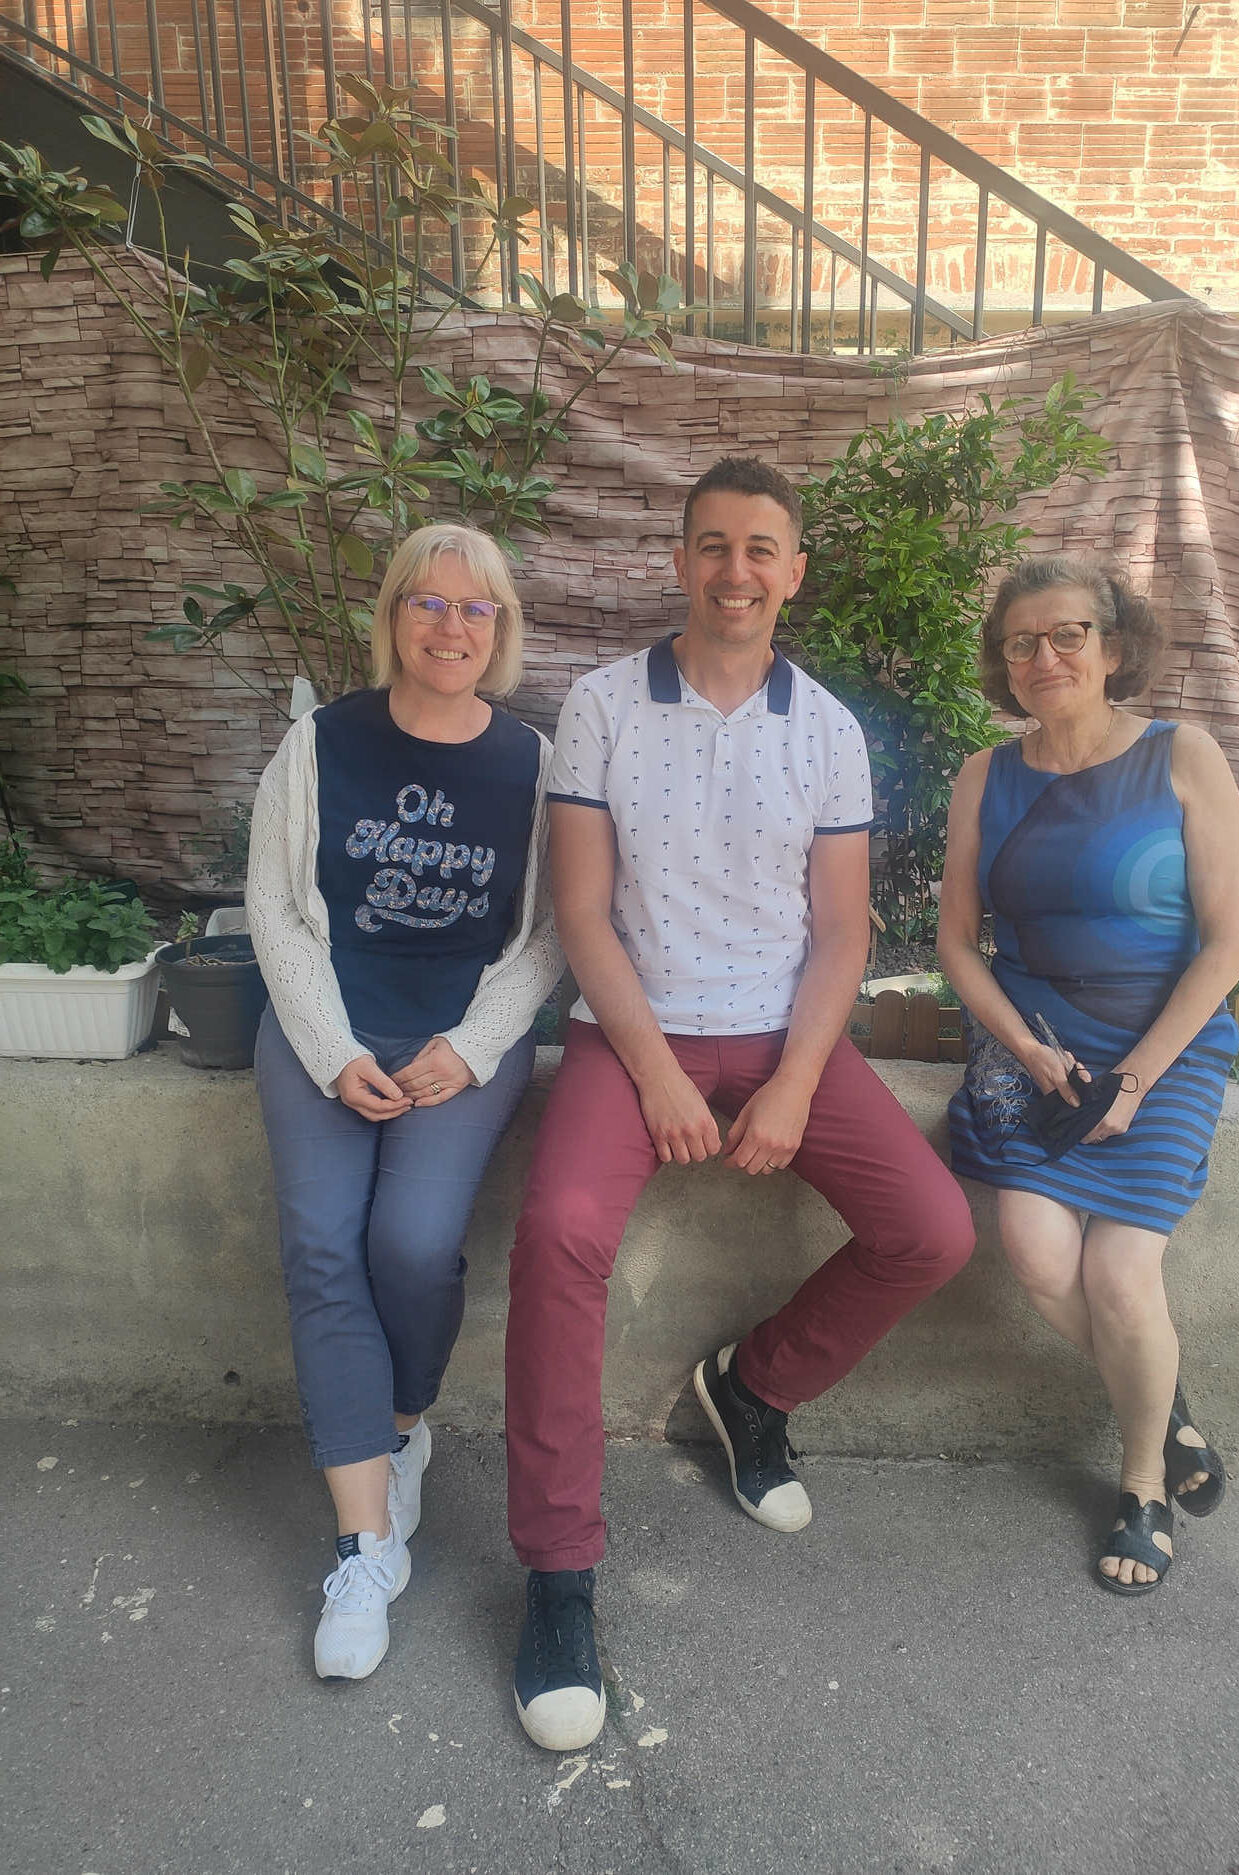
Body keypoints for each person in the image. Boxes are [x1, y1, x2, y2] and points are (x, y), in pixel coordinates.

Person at [504, 456, 976, 1751]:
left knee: (931, 1229)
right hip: (631, 1035)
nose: (735, 570)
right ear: (679, 561)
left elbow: (841, 934)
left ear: (793, 572)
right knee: (557, 1235)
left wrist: (793, 1083)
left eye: (760, 548)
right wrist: (657, 1070)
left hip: (781, 1037)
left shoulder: (827, 730)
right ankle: (557, 1573)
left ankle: (753, 1386)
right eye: (712, 545)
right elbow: (581, 914)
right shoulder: (601, 706)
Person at [247, 521, 560, 1681]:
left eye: (475, 608)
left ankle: (398, 1426)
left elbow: (549, 934)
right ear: (391, 618)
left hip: (456, 1043)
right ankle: (363, 1548)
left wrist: (470, 1049)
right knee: (323, 1249)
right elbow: (274, 908)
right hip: (325, 1030)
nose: (449, 626)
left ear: (500, 629)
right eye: (427, 602)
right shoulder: (319, 744)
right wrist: (332, 1051)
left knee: (413, 1244)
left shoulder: (531, 764)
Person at [937, 554, 1239, 1596]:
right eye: (1021, 642)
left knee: (1120, 1274)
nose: (1044, 657)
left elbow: (1229, 944)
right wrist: (1026, 1049)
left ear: (1112, 646)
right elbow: (955, 944)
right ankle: (1163, 1403)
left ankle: (1142, 1482)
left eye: (1067, 634)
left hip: (1161, 1046)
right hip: (1034, 1044)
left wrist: (1135, 1079)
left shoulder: (1181, 755)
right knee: (1036, 1251)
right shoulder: (985, 775)